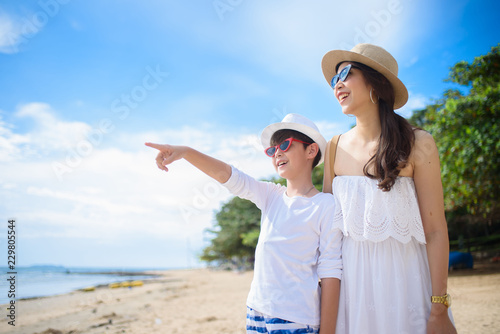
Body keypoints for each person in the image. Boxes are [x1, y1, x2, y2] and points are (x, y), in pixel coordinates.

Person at [145, 113, 343, 334]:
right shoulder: (271, 196)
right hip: (256, 312)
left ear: (311, 150)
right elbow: (228, 176)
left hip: (296, 319)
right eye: (272, 149)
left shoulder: (326, 205)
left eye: (285, 144)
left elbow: (331, 273)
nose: (277, 152)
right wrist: (185, 152)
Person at [320, 44, 457, 334]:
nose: (337, 84)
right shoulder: (333, 147)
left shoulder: (418, 142)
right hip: (352, 292)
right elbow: (327, 235)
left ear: (377, 83)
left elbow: (435, 229)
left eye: (345, 73)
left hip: (407, 283)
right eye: (334, 79)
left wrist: (439, 305)